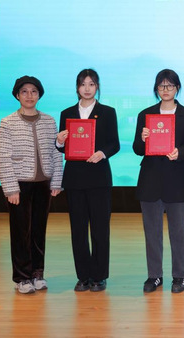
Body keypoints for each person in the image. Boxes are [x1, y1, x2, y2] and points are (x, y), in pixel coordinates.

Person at [133, 69, 184, 294]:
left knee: (178, 232)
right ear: (156, 89)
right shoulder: (146, 115)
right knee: (152, 232)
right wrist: (142, 138)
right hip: (150, 181)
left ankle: (179, 276)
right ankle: (154, 276)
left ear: (177, 88)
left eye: (170, 86)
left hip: (176, 181)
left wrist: (180, 153)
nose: (166, 90)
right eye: (162, 86)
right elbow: (137, 149)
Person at [0, 76, 63, 294]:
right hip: (19, 185)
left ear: (39, 95)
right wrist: (10, 188)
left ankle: (37, 273)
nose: (29, 95)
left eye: (33, 91)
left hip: (43, 184)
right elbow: (2, 157)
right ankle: (22, 277)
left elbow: (56, 153)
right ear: (17, 95)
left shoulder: (49, 121)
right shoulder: (7, 122)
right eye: (24, 91)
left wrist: (56, 181)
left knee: (38, 231)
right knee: (20, 232)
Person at [56, 69, 120, 292]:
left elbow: (114, 143)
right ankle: (83, 276)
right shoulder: (67, 113)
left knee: (100, 229)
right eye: (83, 84)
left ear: (97, 87)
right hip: (74, 179)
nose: (87, 88)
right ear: (77, 87)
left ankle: (99, 276)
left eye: (91, 84)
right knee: (78, 229)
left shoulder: (107, 112)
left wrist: (102, 153)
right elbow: (62, 147)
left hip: (99, 178)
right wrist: (59, 141)